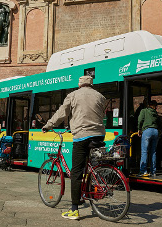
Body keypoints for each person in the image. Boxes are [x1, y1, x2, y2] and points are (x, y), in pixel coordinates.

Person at [42, 75, 106, 220]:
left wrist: (48, 125)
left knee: (76, 172)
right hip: (99, 135)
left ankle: (74, 209)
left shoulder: (73, 95)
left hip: (82, 135)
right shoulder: (100, 96)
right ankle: (87, 190)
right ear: (91, 84)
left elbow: (61, 113)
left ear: (79, 84)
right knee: (88, 166)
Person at [138, 100, 160, 177]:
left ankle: (143, 171)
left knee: (144, 151)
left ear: (148, 105)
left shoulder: (144, 111)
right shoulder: (155, 113)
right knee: (153, 152)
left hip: (147, 131)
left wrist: (139, 129)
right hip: (155, 131)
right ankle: (153, 171)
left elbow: (140, 120)